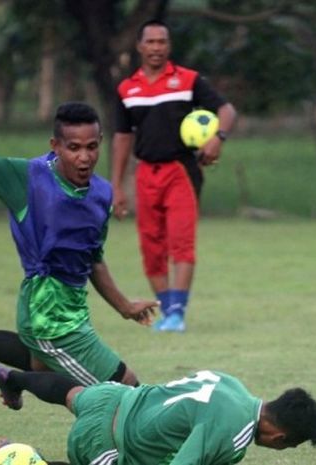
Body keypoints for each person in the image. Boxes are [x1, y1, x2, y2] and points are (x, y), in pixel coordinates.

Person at [0, 46, 157, 390]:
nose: (84, 157)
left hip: (73, 314)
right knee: (125, 390)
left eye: (91, 147)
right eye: (73, 148)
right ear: (55, 145)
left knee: (42, 365)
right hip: (47, 317)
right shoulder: (28, 179)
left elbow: (93, 260)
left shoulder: (101, 193)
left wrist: (125, 306)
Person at [111, 20, 237, 332]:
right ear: (140, 47)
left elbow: (227, 111)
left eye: (162, 42)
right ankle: (168, 312)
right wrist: (116, 186)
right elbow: (122, 137)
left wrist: (217, 139)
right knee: (151, 248)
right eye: (150, 42)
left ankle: (177, 313)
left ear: (169, 46)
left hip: (181, 170)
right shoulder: (127, 89)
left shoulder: (188, 80)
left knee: (181, 242)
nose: (156, 47)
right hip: (145, 173)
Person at [0, 364, 316, 465]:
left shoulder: (232, 383)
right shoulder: (234, 435)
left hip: (116, 397)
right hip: (108, 442)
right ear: (280, 438)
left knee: (69, 393)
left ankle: (12, 378)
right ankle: (24, 460)